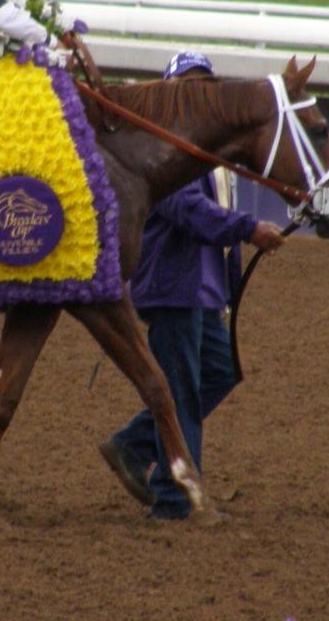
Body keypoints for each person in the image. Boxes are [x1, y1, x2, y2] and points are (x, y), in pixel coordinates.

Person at [99, 51, 287, 521]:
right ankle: (174, 497)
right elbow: (188, 212)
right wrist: (248, 228)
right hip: (171, 287)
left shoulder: (210, 157)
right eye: (188, 85)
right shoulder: (161, 155)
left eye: (203, 85)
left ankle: (135, 443)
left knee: (221, 371)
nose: (197, 95)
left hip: (202, 291)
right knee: (181, 391)